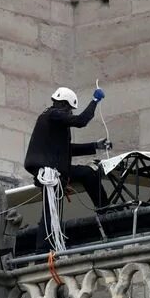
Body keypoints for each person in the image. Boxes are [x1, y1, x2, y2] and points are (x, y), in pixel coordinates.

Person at [24, 86, 110, 247]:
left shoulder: (53, 122)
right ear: (63, 105)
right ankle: (43, 251)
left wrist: (95, 146)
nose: (70, 113)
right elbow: (81, 121)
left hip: (56, 170)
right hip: (50, 172)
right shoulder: (53, 115)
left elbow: (66, 150)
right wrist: (95, 100)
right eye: (70, 109)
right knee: (51, 212)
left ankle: (105, 210)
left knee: (88, 173)